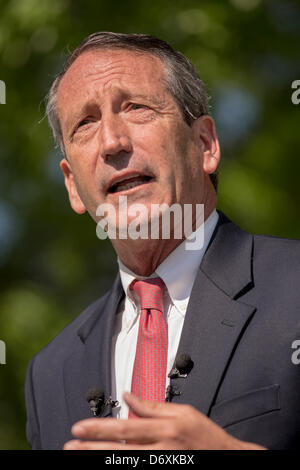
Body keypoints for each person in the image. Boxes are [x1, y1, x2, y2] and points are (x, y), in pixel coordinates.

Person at [25, 32, 300, 450]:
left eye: (136, 108)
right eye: (85, 123)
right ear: (73, 187)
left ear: (205, 145)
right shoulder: (49, 374)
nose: (112, 141)